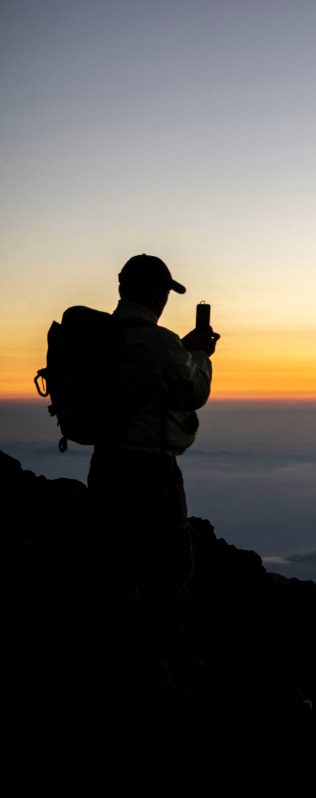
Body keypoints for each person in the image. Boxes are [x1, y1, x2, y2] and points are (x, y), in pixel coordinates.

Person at [86, 254, 219, 675]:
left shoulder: (103, 337)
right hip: (151, 472)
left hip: (104, 464)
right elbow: (193, 390)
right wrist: (198, 354)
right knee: (170, 566)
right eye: (164, 291)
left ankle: (110, 655)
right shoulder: (159, 343)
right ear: (153, 293)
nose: (165, 300)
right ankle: (156, 666)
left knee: (113, 564)